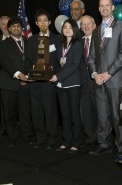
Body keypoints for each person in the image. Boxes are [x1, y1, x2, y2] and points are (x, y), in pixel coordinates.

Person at [88, 0, 122, 156]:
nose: (104, 8)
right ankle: (104, 143)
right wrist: (95, 74)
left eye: (107, 5)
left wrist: (108, 73)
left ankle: (121, 147)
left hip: (115, 80)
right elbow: (91, 56)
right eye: (101, 6)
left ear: (112, 7)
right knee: (102, 115)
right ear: (99, 9)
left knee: (117, 116)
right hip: (99, 81)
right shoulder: (96, 30)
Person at [25, 9, 61, 149]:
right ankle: (40, 138)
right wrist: (31, 72)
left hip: (49, 82)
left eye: (45, 20)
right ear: (36, 23)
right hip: (34, 82)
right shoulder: (31, 40)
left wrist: (54, 74)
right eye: (40, 20)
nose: (43, 23)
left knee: (50, 111)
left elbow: (60, 60)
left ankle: (52, 139)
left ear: (50, 22)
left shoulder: (57, 39)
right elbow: (27, 60)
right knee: (36, 111)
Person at [0, 17, 33, 146]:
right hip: (9, 83)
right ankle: (12, 137)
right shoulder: (2, 44)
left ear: (22, 28)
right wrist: (18, 75)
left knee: (25, 112)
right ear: (9, 28)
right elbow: (4, 62)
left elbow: (33, 60)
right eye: (13, 26)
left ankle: (26, 135)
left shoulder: (30, 42)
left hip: (27, 82)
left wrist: (28, 76)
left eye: (18, 26)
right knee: (9, 113)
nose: (16, 28)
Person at [50, 19, 83, 154]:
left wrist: (58, 76)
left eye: (70, 27)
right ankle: (66, 140)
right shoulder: (60, 44)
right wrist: (53, 74)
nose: (67, 29)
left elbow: (75, 65)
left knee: (74, 114)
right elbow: (58, 64)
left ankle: (76, 141)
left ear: (74, 29)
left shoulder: (78, 44)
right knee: (64, 114)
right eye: (65, 27)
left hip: (73, 83)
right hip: (61, 84)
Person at [79, 15, 97, 146]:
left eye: (88, 24)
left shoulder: (101, 42)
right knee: (86, 111)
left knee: (100, 111)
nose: (86, 26)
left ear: (94, 25)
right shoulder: (78, 42)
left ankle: (102, 138)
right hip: (83, 83)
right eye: (83, 24)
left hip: (98, 82)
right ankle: (91, 137)